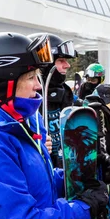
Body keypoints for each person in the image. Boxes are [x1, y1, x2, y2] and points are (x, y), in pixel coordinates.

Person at [0, 32, 110, 219]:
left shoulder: (18, 125)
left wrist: (80, 169)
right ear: (3, 83)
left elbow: (36, 183)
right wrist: (83, 207)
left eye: (38, 76)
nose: (37, 85)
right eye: (30, 77)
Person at [28, 33, 78, 167]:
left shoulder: (66, 93)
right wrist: (35, 145)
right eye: (61, 61)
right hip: (41, 167)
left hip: (63, 170)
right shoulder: (29, 96)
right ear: (46, 64)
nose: (67, 65)